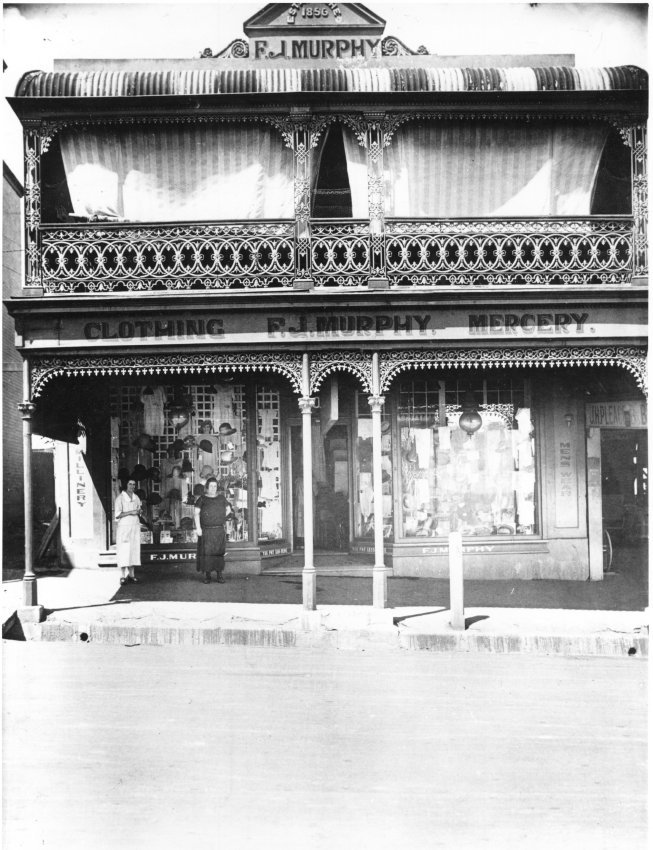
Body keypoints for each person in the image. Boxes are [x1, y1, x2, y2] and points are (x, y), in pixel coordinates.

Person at [194, 477, 231, 584]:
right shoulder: (202, 499)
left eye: (215, 486)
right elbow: (196, 514)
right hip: (207, 530)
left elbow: (228, 509)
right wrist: (198, 528)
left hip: (219, 530)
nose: (213, 488)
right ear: (207, 487)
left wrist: (220, 517)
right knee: (207, 553)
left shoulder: (221, 498)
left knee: (219, 553)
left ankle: (219, 575)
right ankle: (208, 576)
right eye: (211, 486)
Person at [114, 478, 142, 585]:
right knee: (124, 550)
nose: (132, 486)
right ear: (126, 485)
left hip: (135, 526)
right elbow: (117, 515)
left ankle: (131, 575)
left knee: (133, 550)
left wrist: (139, 511)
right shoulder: (120, 498)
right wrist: (131, 512)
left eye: (134, 484)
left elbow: (139, 510)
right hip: (124, 527)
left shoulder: (136, 497)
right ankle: (122, 576)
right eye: (130, 484)